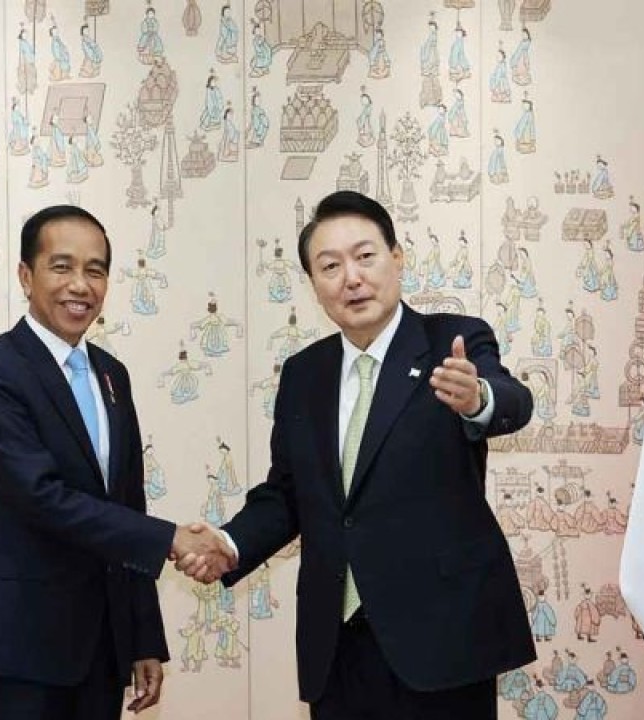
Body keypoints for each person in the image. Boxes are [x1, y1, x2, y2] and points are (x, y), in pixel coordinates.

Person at [179, 190, 535, 719]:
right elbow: (288, 494)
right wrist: (230, 544)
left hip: (442, 636)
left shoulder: (453, 340)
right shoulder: (304, 374)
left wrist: (477, 398)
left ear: (397, 257)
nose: (352, 277)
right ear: (314, 284)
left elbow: (512, 399)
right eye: (330, 266)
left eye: (365, 256)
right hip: (337, 644)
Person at [0, 205, 224, 719]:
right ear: (26, 276)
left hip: (101, 650)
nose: (80, 285)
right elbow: (41, 497)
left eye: (95, 270)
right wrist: (170, 538)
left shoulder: (111, 375)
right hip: (21, 648)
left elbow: (127, 504)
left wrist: (143, 637)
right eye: (61, 267)